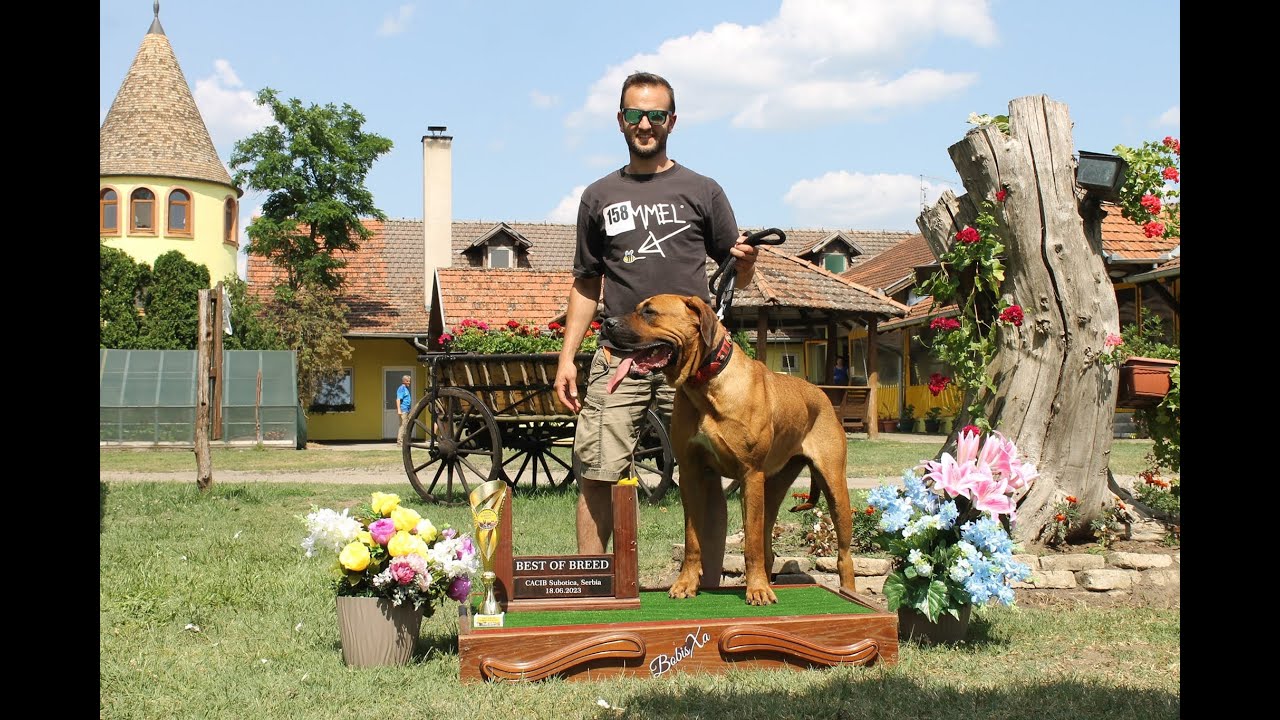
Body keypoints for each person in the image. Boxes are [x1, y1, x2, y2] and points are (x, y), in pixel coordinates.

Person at [554, 71, 759, 556]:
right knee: (598, 471)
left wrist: (748, 263)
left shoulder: (703, 190)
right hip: (618, 358)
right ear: (620, 120)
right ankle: (593, 585)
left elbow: (738, 274)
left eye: (655, 115)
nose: (644, 124)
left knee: (704, 474)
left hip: (690, 365)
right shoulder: (598, 196)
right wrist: (567, 358)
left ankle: (709, 585)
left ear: (672, 121)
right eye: (634, 114)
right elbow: (587, 283)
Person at [395, 375, 412, 446]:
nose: (409, 382)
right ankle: (400, 442)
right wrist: (399, 410)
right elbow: (398, 399)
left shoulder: (406, 388)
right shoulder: (401, 388)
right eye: (408, 381)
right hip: (403, 410)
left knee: (405, 425)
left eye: (409, 381)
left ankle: (404, 441)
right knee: (403, 425)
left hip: (407, 409)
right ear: (404, 381)